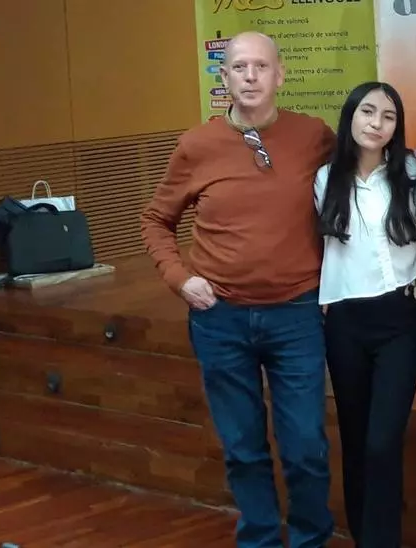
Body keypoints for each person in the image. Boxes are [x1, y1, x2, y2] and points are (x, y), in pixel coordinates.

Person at [139, 31, 336, 547]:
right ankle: (260, 540)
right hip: (220, 318)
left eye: (261, 66)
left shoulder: (314, 136)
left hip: (297, 314)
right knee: (243, 448)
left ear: (280, 75)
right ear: (223, 76)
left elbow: (370, 170)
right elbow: (156, 220)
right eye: (240, 67)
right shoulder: (196, 146)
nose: (250, 76)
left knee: (305, 447)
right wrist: (179, 278)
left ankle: (311, 539)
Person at [314, 81, 416, 547]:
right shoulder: (325, 179)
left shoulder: (412, 173)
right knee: (357, 439)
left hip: (401, 317)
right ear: (351, 116)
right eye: (367, 112)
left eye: (388, 116)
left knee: (383, 440)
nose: (377, 123)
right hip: (345, 321)